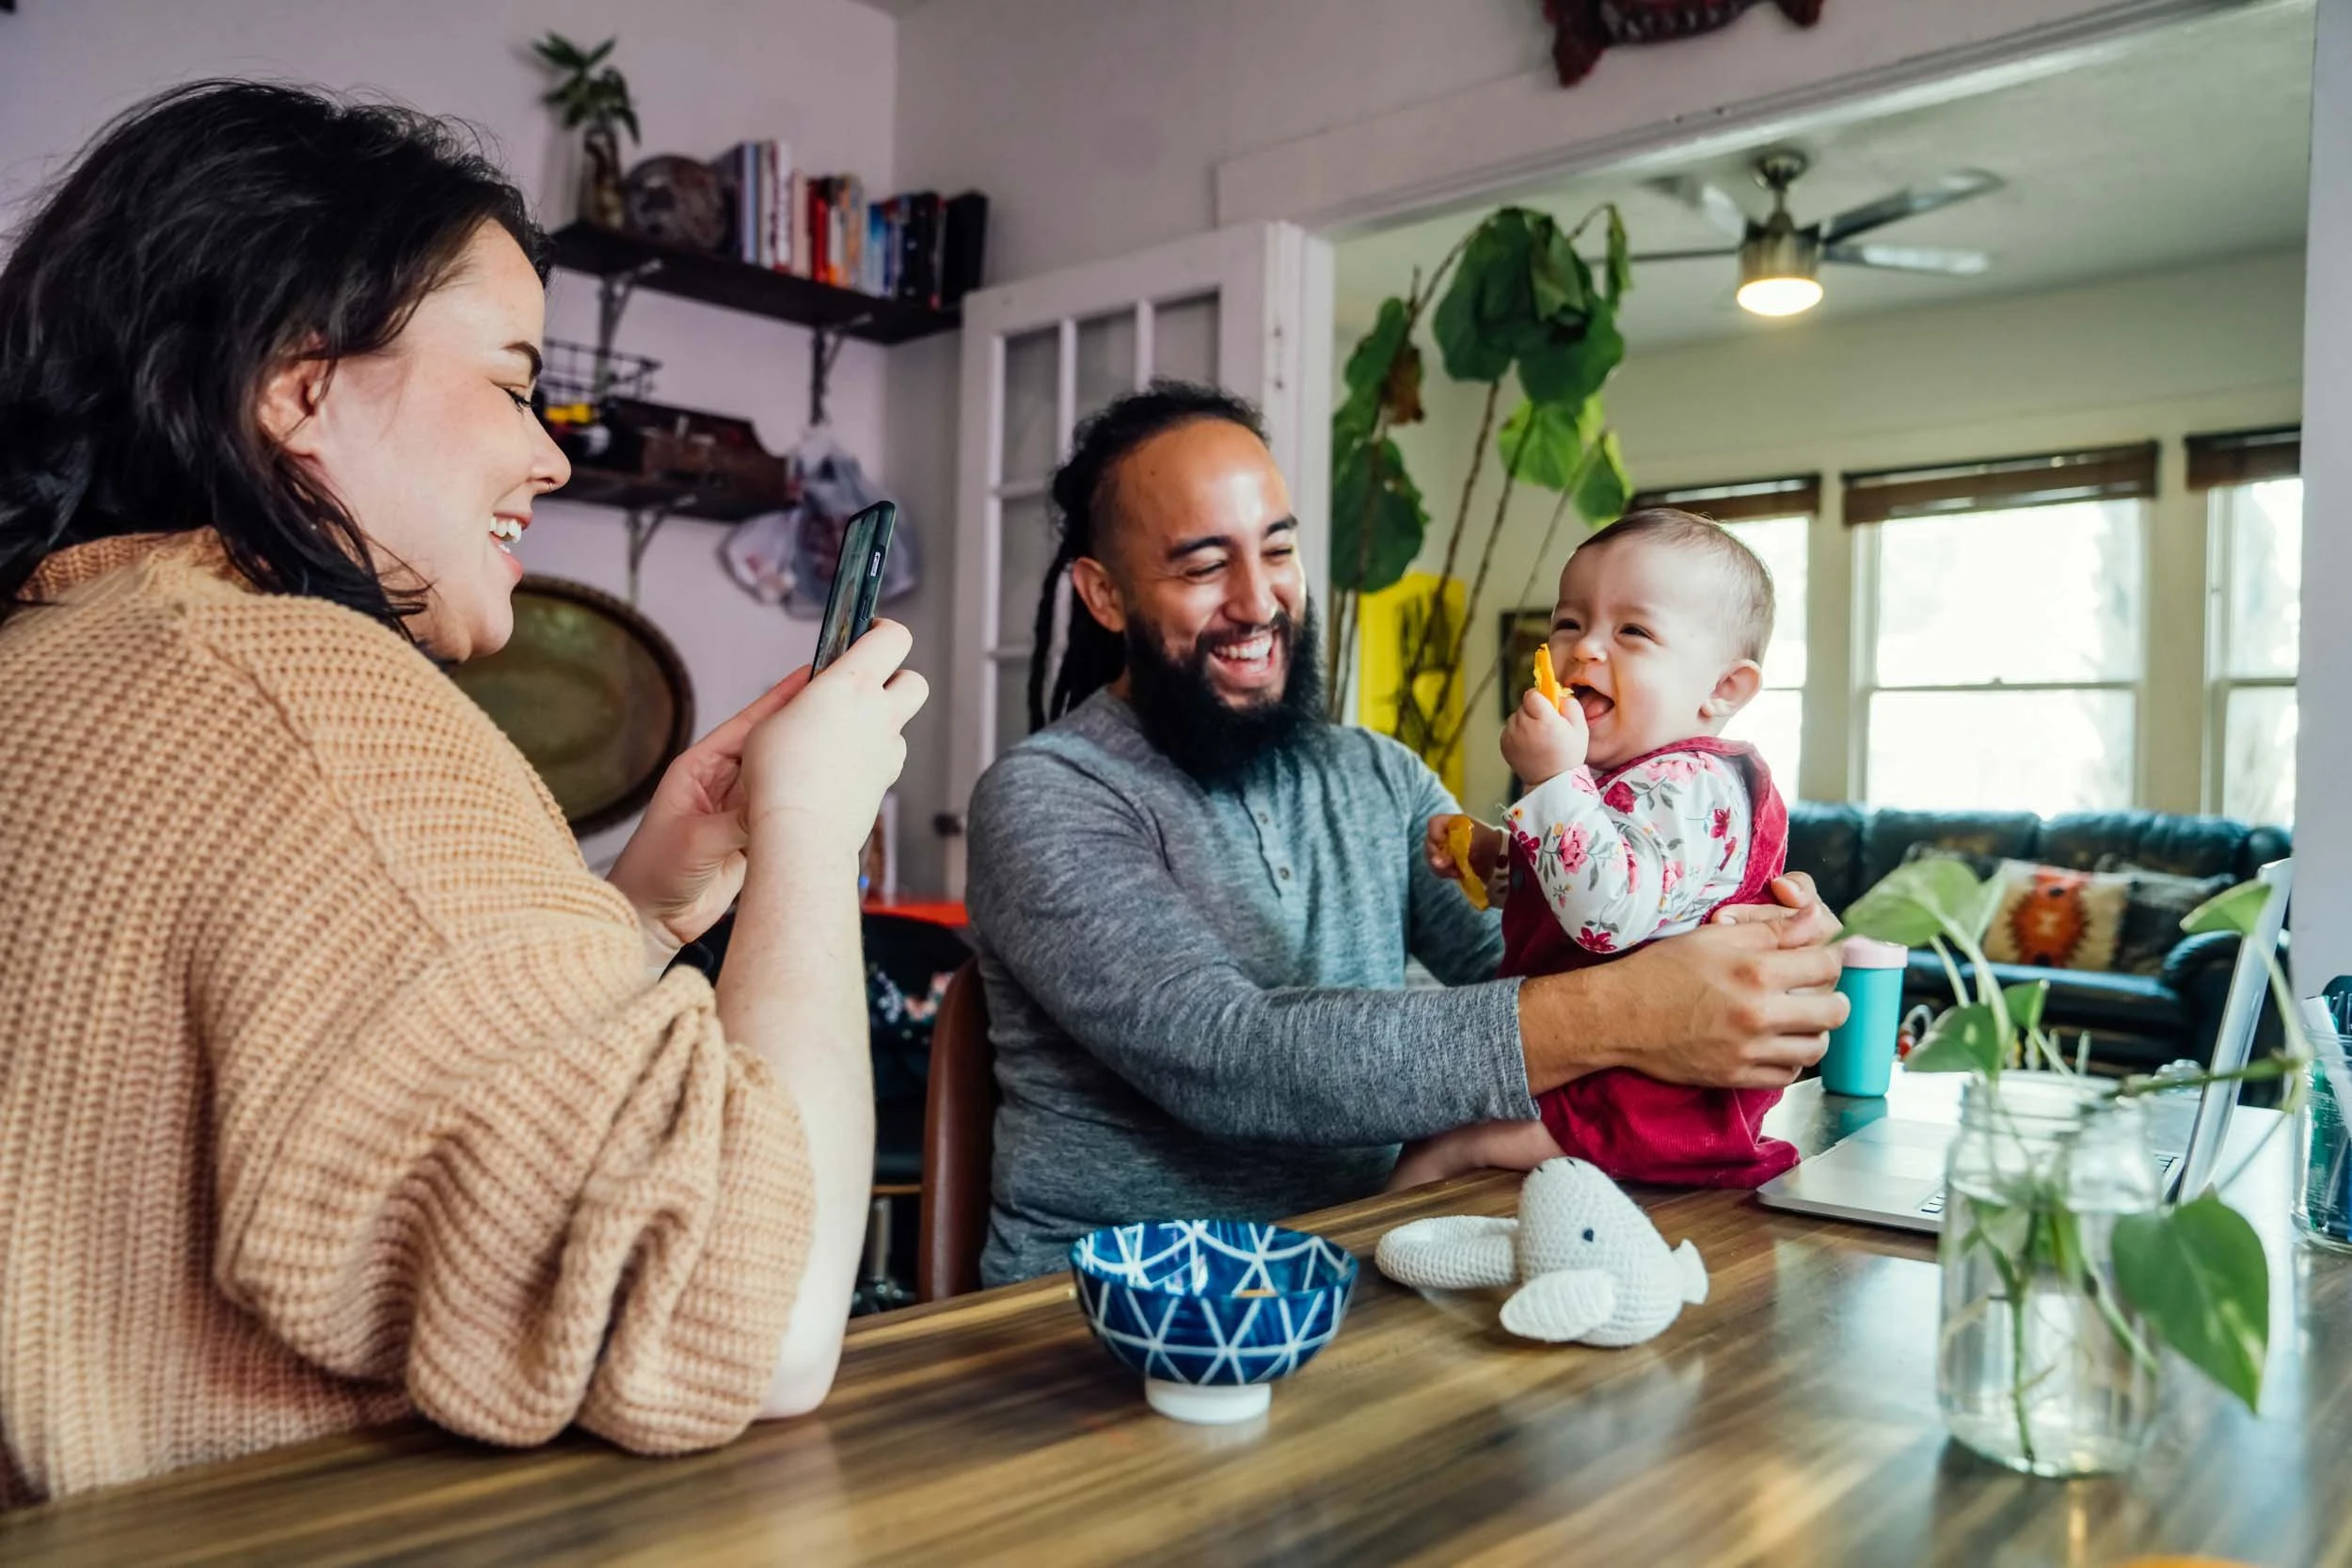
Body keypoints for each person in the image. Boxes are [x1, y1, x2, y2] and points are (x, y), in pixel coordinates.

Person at [0, 83, 925, 1505]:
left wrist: (650, 902)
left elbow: (316, 1107)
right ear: (298, 385)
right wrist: (813, 832)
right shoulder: (301, 692)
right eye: (510, 381)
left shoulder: (65, 660)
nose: (549, 452)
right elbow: (755, 1318)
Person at [963, 383, 1847, 1285]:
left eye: (1278, 549)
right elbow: (1230, 1059)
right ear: (1105, 595)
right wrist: (1645, 1007)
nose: (1258, 600)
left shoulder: (1378, 776)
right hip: (1107, 1305)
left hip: (1365, 1257)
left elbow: (1526, 970)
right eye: (1201, 566)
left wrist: (1731, 948)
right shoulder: (1044, 797)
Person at [1392, 508, 1801, 1191]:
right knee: (1437, 1133)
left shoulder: (1694, 786)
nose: (1584, 651)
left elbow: (1605, 914)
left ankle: (1360, 1280)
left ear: (1723, 689)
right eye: (1569, 623)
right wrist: (1495, 858)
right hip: (1601, 1068)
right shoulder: (1609, 783)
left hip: (1657, 1094)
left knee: (1442, 1146)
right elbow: (1564, 889)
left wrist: (1550, 780)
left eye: (1632, 631)